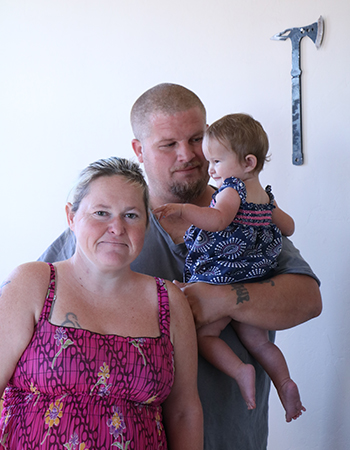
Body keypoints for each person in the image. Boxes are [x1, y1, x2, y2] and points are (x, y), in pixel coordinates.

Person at [38, 83, 322, 450]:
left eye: (196, 138)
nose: (187, 155)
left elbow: (308, 299)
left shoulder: (250, 216)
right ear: (139, 150)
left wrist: (223, 300)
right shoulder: (108, 230)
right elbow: (33, 312)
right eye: (168, 145)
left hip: (233, 439)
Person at [0, 157, 203, 450]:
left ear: (146, 224)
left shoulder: (169, 302)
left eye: (131, 215)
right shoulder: (33, 283)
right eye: (101, 213)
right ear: (71, 217)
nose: (117, 228)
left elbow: (184, 413)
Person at [153, 113, 305, 421]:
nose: (210, 170)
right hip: (257, 274)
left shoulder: (231, 189)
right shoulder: (266, 197)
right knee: (259, 342)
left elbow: (218, 219)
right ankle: (285, 382)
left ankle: (239, 370)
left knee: (206, 335)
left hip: (222, 273)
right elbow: (288, 226)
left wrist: (185, 211)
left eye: (216, 162)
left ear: (248, 162)